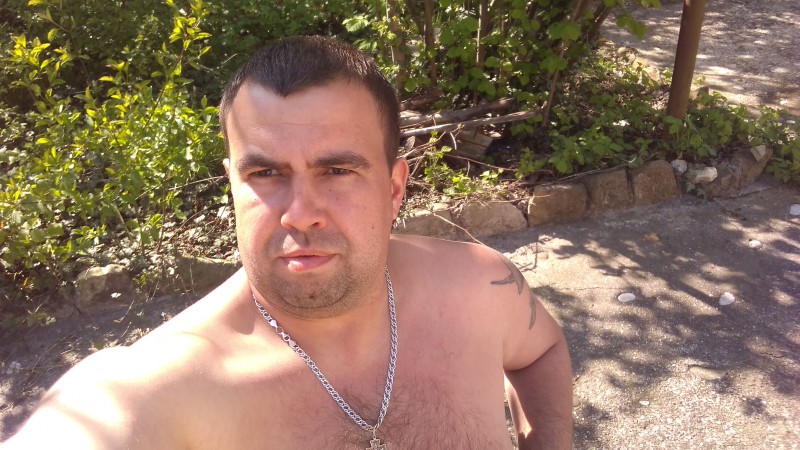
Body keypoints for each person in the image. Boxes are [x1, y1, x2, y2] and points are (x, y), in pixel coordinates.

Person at [3, 36, 573, 449]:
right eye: (266, 174)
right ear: (233, 184)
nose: (300, 213)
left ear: (394, 187)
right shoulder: (153, 391)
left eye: (337, 171)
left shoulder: (481, 285)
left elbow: (542, 352)